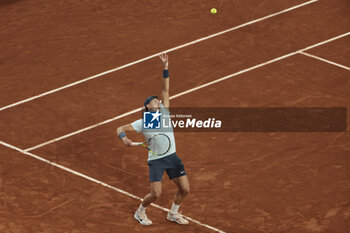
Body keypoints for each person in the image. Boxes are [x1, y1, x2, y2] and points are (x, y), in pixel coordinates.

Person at [116, 53, 190, 226]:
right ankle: (140, 212)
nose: (158, 101)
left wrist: (165, 68)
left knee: (185, 189)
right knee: (155, 194)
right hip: (157, 161)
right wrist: (124, 138)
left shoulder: (164, 112)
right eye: (155, 101)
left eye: (158, 101)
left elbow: (166, 90)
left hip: (172, 157)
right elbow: (119, 128)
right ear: (148, 106)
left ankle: (173, 213)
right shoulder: (142, 122)